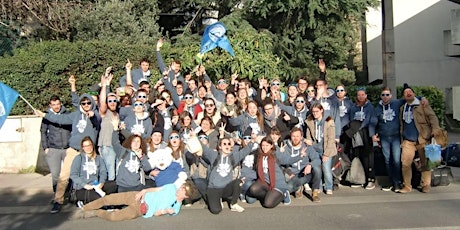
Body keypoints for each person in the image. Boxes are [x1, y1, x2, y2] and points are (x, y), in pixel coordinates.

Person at [35, 93, 101, 214]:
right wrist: (44, 114)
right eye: (83, 103)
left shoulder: (95, 114)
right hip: (73, 150)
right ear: (80, 104)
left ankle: (86, 198)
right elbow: (59, 119)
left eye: (88, 103)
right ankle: (58, 200)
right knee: (63, 176)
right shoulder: (75, 115)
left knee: (89, 176)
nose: (86, 105)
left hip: (88, 151)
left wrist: (92, 115)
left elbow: (97, 120)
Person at [193, 133, 259, 214]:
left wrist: (252, 140)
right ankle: (216, 199)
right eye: (224, 144)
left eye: (229, 144)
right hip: (214, 188)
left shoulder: (233, 157)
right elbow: (204, 147)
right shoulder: (214, 155)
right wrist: (194, 136)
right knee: (216, 210)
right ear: (220, 147)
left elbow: (244, 151)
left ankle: (233, 204)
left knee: (238, 182)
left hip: (226, 188)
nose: (227, 146)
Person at [78, 180, 197, 221]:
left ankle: (97, 212)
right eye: (181, 187)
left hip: (140, 209)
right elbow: (155, 189)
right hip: (137, 196)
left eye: (182, 190)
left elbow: (155, 213)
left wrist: (165, 211)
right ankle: (84, 209)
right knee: (108, 199)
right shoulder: (171, 187)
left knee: (114, 217)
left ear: (186, 196)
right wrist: (143, 191)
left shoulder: (175, 208)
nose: (179, 189)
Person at [399, 83, 441, 193]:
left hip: (422, 138)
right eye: (405, 93)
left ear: (414, 93)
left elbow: (432, 117)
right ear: (403, 96)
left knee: (425, 163)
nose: (408, 94)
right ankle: (407, 186)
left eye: (410, 92)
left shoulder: (422, 105)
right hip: (408, 140)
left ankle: (425, 184)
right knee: (405, 164)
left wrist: (435, 129)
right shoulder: (402, 108)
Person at [369, 87, 403, 192]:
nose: (385, 97)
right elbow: (373, 122)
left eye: (387, 94)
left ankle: (397, 182)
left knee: (396, 160)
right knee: (387, 160)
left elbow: (409, 98)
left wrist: (422, 98)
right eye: (383, 95)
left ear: (391, 96)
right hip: (384, 137)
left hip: (396, 136)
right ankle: (391, 181)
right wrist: (372, 134)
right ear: (380, 96)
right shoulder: (377, 108)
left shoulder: (396, 103)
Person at [70, 137, 116, 205]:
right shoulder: (78, 158)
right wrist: (84, 185)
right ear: (83, 148)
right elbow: (73, 175)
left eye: (89, 145)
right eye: (85, 146)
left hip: (96, 185)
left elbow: (103, 172)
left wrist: (102, 182)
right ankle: (83, 201)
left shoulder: (98, 158)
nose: (88, 148)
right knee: (100, 199)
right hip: (83, 188)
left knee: (114, 184)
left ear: (92, 146)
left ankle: (105, 200)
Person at [40, 95, 71, 197]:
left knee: (69, 174)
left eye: (57, 104)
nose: (56, 106)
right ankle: (57, 197)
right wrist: (46, 147)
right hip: (53, 149)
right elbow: (43, 132)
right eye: (54, 105)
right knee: (55, 175)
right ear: (50, 105)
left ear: (60, 104)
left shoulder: (67, 114)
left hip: (67, 148)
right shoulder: (47, 116)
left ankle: (69, 194)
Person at [282, 127, 322, 202]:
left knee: (317, 168)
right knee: (288, 188)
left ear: (301, 137)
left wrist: (310, 165)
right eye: (293, 136)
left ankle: (315, 193)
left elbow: (317, 159)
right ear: (290, 136)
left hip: (304, 173)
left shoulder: (307, 146)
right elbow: (282, 164)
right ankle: (298, 188)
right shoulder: (285, 147)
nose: (295, 138)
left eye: (297, 136)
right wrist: (289, 172)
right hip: (292, 174)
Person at [305, 103, 337, 195]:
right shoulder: (310, 121)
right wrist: (309, 142)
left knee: (326, 169)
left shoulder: (329, 121)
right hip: (315, 148)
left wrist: (326, 154)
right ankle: (318, 186)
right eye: (313, 111)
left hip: (326, 148)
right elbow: (308, 135)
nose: (315, 113)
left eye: (317, 111)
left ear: (321, 110)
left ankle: (328, 186)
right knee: (316, 168)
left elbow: (331, 138)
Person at [348, 87, 375, 189]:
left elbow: (369, 120)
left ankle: (370, 179)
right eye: (359, 95)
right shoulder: (353, 107)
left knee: (368, 157)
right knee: (357, 155)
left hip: (366, 133)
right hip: (355, 133)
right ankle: (358, 178)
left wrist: (360, 127)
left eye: (362, 95)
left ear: (366, 96)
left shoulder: (370, 107)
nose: (360, 97)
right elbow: (351, 118)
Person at [97, 74, 120, 181]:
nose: (112, 102)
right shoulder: (105, 113)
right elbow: (102, 100)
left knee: (115, 172)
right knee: (110, 174)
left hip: (115, 146)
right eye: (109, 101)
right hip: (106, 146)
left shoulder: (117, 114)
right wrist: (105, 86)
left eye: (114, 101)